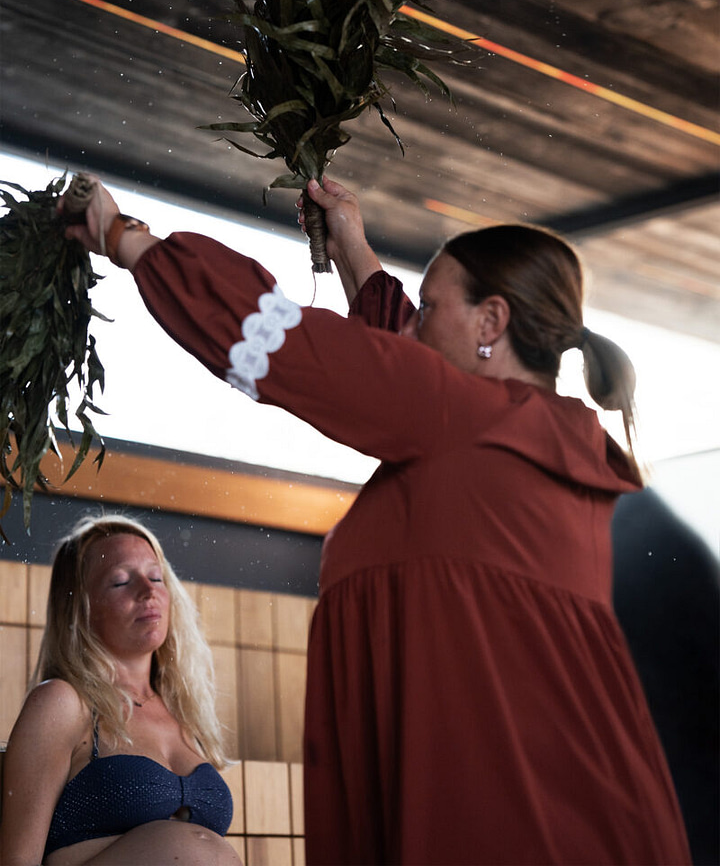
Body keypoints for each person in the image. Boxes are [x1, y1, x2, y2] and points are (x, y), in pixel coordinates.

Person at [59, 175, 691, 865]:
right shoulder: (570, 452)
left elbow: (286, 346)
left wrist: (126, 239)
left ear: (491, 323)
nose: (413, 325)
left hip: (495, 809)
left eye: (431, 307)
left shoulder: (457, 417)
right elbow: (398, 359)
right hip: (598, 810)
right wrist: (356, 253)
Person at [0, 514, 241, 866]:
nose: (148, 591)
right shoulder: (62, 703)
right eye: (120, 582)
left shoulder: (184, 714)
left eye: (157, 577)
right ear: (81, 610)